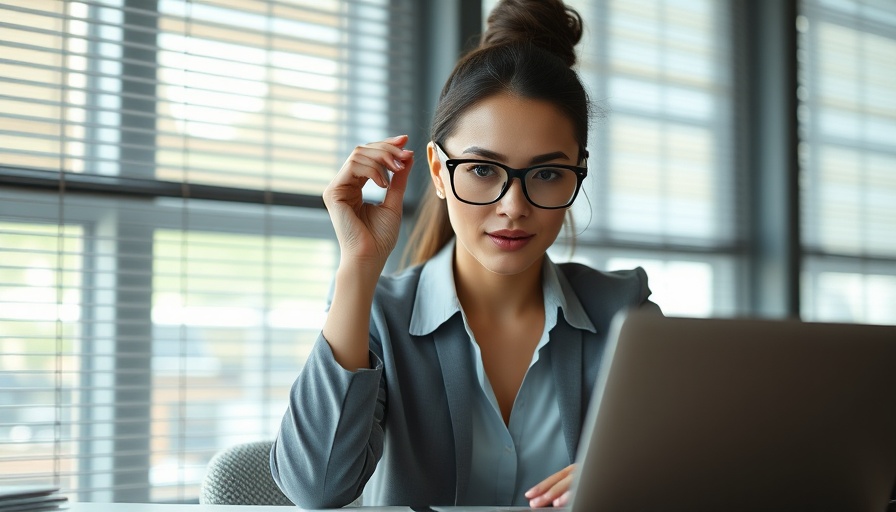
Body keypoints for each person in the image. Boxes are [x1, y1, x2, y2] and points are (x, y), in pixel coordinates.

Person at [271, 0, 659, 508]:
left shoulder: (624, 314)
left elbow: (696, 468)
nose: (513, 207)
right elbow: (314, 488)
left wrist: (626, 476)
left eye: (546, 173)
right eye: (482, 170)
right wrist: (359, 267)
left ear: (578, 172)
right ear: (437, 170)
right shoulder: (379, 314)